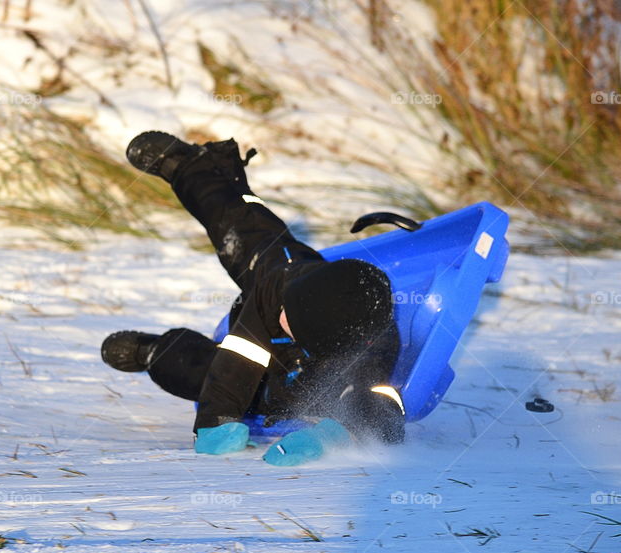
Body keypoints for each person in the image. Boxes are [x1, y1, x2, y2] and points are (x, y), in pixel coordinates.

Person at [100, 131, 405, 465]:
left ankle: (153, 352)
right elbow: (238, 359)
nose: (282, 316)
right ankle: (193, 168)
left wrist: (331, 437)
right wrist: (215, 420)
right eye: (288, 310)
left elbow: (384, 411)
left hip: (273, 389)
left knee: (197, 373)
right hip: (285, 280)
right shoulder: (283, 291)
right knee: (248, 233)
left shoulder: (368, 353)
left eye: (291, 319)